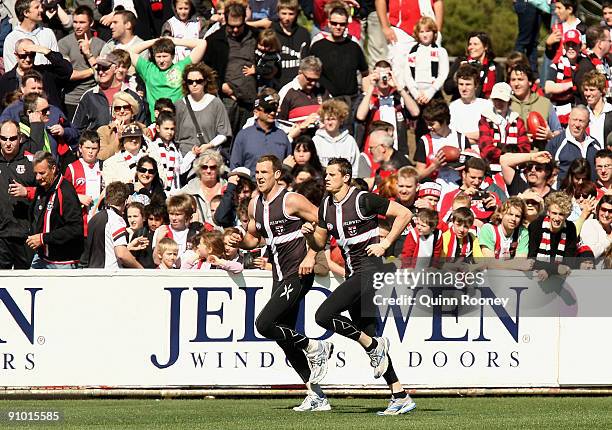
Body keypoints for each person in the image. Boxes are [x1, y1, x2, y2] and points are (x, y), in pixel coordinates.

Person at [301, 157, 415, 415]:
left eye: (331, 174)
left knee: (324, 315)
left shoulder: (363, 199)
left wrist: (385, 245)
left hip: (369, 271)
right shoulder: (326, 205)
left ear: (345, 177)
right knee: (369, 334)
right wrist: (309, 234)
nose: (326, 178)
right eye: (325, 174)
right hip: (354, 274)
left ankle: (374, 346)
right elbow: (320, 243)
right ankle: (400, 395)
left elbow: (405, 214)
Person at [226, 155, 333, 411]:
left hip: (299, 273)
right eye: (257, 172)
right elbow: (254, 239)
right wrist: (239, 241)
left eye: (264, 171)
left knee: (263, 323)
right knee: (285, 338)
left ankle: (315, 345)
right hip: (280, 276)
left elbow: (325, 222)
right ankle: (316, 395)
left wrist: (311, 254)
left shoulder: (291, 199)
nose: (259, 176)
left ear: (277, 175)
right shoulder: (255, 205)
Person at [203, 2, 259, 135]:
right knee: (225, 137)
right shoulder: (215, 40)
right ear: (225, 20)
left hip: (251, 98)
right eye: (231, 26)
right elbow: (206, 69)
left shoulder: (256, 36)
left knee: (250, 136)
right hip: (227, 98)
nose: (235, 30)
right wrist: (220, 86)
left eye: (239, 26)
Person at [128, 35, 208, 122]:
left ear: (173, 56)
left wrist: (174, 41)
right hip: (157, 122)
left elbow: (202, 44)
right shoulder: (148, 69)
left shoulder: (181, 68)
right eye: (158, 57)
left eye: (165, 56)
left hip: (179, 120)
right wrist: (157, 41)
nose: (161, 60)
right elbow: (130, 51)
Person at [27, 151, 83, 269]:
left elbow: (75, 228)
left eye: (42, 173)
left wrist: (43, 238)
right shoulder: (42, 187)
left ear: (53, 168)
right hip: (41, 257)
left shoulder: (65, 191)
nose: (38, 178)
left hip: (62, 262)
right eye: (35, 173)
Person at [308, 2, 368, 108]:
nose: (338, 27)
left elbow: (365, 73)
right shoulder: (317, 46)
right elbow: (309, 74)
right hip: (326, 101)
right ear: (329, 23)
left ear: (346, 25)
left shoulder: (354, 46)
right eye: (334, 23)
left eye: (342, 24)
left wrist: (366, 96)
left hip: (351, 101)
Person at [356, 60, 419, 156]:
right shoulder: (369, 96)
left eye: (387, 74)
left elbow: (415, 113)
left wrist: (399, 87)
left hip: (397, 152)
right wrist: (371, 86)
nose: (383, 78)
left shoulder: (399, 97)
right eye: (380, 74)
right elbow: (360, 117)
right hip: (373, 152)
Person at [72, 53, 147, 134]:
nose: (100, 72)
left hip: (125, 144)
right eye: (98, 69)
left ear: (116, 68)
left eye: (104, 68)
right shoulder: (89, 96)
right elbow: (76, 129)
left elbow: (141, 126)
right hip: (97, 145)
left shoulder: (131, 96)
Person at [81, 181, 144, 269]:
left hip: (93, 272)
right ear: (125, 201)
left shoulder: (94, 218)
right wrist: (140, 268)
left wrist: (128, 247)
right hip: (110, 274)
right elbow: (121, 254)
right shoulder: (116, 219)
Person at [174, 63, 232, 158]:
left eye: (199, 81)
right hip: (185, 157)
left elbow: (223, 133)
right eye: (190, 81)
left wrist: (209, 145)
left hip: (208, 156)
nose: (194, 84)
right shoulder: (179, 105)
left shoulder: (215, 103)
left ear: (205, 82)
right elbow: (174, 135)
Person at [0, 120, 37, 269]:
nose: (8, 143)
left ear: (20, 138)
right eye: (4, 138)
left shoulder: (31, 161)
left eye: (12, 138)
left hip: (25, 235)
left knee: (25, 280)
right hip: (1, 235)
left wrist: (27, 192)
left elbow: (49, 192)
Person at [58, 5, 105, 119]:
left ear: (91, 23)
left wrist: (88, 52)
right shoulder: (64, 43)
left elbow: (103, 74)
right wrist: (93, 69)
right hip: (71, 99)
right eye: (75, 22)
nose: (77, 26)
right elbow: (68, 74)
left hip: (94, 97)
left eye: (82, 22)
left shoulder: (101, 45)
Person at [0, 38, 72, 110]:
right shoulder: (5, 80)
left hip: (48, 118)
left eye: (32, 55)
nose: (28, 59)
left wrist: (46, 51)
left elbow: (66, 70)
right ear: (16, 55)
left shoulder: (46, 73)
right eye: (23, 56)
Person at [230, 92, 292, 174]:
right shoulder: (244, 135)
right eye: (268, 110)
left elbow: (289, 161)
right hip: (251, 184)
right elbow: (235, 166)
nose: (272, 113)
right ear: (256, 112)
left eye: (274, 109)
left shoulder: (282, 135)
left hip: (276, 184)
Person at [414, 99, 470, 184]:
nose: (429, 127)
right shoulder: (424, 141)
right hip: (434, 190)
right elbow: (417, 176)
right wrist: (434, 166)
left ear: (443, 121)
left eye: (432, 124)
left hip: (458, 189)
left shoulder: (461, 139)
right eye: (427, 124)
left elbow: (471, 168)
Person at [528, 191, 578, 281]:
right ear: (548, 212)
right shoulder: (536, 225)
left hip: (560, 280)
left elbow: (569, 261)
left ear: (567, 215)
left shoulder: (570, 228)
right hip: (536, 278)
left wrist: (549, 270)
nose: (557, 218)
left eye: (561, 214)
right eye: (554, 213)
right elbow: (531, 259)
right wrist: (555, 269)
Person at [400, 16, 448, 106]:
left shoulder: (441, 51)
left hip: (434, 94)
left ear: (434, 33)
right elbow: (407, 75)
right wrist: (416, 94)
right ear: (417, 34)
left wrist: (430, 92)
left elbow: (443, 74)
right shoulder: (411, 52)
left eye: (428, 31)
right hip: (416, 95)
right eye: (422, 32)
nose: (425, 35)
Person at [63, 131, 104, 238]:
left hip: (101, 221)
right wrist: (77, 197)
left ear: (98, 149)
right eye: (87, 148)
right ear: (80, 148)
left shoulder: (104, 166)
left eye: (94, 148)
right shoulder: (72, 168)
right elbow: (62, 193)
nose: (90, 151)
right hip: (80, 223)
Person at [479, 82, 530, 165]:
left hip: (514, 168)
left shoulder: (518, 121)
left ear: (509, 100)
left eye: (502, 100)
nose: (498, 103)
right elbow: (486, 150)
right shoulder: (485, 120)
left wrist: (500, 147)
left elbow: (525, 149)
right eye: (496, 99)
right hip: (491, 167)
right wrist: (509, 153)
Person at [546, 105, 601, 182]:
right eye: (574, 120)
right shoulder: (555, 143)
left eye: (581, 121)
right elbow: (547, 173)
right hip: (564, 193)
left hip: (590, 193)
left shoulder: (595, 145)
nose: (577, 125)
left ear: (588, 123)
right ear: (569, 120)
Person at [444, 32, 503, 101]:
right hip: (462, 105)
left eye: (475, 44)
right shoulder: (461, 62)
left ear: (486, 47)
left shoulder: (495, 67)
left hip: (486, 107)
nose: (470, 47)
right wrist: (458, 73)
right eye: (470, 44)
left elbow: (500, 92)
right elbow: (447, 89)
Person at [509, 64, 561, 142]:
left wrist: (550, 135)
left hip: (540, 152)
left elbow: (559, 131)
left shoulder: (545, 103)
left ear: (530, 82)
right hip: (514, 153)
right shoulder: (507, 104)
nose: (516, 84)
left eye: (520, 79)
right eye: (513, 80)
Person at [3, 0, 59, 71]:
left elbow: (56, 63)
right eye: (37, 7)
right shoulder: (11, 38)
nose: (41, 9)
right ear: (26, 13)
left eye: (40, 6)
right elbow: (10, 70)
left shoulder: (48, 33)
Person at [278, 56, 332, 126]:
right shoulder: (287, 91)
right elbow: (279, 123)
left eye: (316, 80)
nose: (313, 83)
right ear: (300, 73)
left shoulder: (323, 91)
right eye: (309, 79)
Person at [97, 91, 150, 161]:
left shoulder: (143, 130)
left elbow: (150, 153)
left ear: (132, 110)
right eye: (118, 108)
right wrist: (118, 139)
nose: (122, 111)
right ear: (114, 112)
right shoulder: (104, 131)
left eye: (126, 107)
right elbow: (102, 156)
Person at [544, 29, 582, 127]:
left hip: (581, 111)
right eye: (568, 45)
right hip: (560, 111)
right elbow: (548, 88)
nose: (571, 48)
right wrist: (572, 83)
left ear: (580, 46)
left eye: (574, 45)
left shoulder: (585, 64)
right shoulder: (556, 65)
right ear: (564, 46)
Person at [180, 150, 227, 225]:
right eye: (204, 167)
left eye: (213, 167)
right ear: (199, 169)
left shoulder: (226, 188)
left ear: (218, 169)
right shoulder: (190, 189)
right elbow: (171, 202)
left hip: (223, 233)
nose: (208, 171)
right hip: (198, 234)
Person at [449, 63, 492, 143]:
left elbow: (488, 134)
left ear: (476, 86)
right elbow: (452, 136)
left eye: (468, 84)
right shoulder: (453, 107)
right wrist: (476, 138)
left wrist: (462, 135)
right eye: (461, 84)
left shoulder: (486, 105)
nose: (464, 88)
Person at [312, 99, 359, 171]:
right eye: (327, 119)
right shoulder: (316, 141)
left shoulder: (349, 141)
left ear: (340, 120)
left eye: (333, 119)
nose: (330, 123)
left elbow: (356, 166)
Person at [273, 0, 310, 87]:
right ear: (278, 13)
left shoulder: (303, 33)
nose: (287, 18)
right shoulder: (272, 33)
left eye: (291, 14)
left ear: (296, 13)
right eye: (284, 13)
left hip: (298, 84)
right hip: (277, 83)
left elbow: (306, 59)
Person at [574, 25, 612, 105]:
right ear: (600, 44)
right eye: (609, 41)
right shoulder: (585, 66)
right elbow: (586, 98)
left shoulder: (607, 62)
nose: (611, 43)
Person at [580, 71, 612, 148]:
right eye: (585, 90)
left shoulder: (610, 111)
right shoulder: (582, 113)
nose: (587, 94)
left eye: (591, 90)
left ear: (602, 91)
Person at [580, 195, 612, 264]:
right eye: (603, 210)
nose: (606, 214)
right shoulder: (590, 224)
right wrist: (609, 239)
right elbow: (591, 254)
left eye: (610, 211)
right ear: (598, 209)